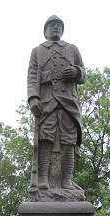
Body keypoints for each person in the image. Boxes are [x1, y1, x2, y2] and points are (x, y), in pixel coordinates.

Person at [27, 15, 86, 191]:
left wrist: (76, 72)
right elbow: (31, 76)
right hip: (47, 100)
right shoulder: (37, 51)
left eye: (59, 26)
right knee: (45, 137)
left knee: (69, 139)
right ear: (45, 30)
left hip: (69, 101)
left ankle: (66, 180)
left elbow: (83, 73)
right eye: (52, 25)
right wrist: (33, 97)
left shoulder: (72, 49)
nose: (56, 28)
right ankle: (43, 178)